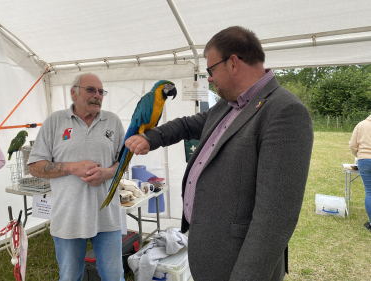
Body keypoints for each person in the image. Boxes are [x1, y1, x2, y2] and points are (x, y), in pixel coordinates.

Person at [126, 26, 314, 281]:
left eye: (211, 70)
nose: (210, 79)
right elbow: (187, 124)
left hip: (236, 264)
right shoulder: (229, 104)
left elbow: (274, 222)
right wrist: (149, 137)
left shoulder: (284, 111)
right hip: (209, 255)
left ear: (233, 63)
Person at [28, 73, 125, 281]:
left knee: (114, 277)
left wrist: (107, 173)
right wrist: (72, 167)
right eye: (91, 90)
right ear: (73, 93)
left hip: (107, 216)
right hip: (68, 217)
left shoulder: (113, 122)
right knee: (70, 277)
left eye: (101, 92)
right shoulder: (55, 122)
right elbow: (35, 167)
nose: (97, 96)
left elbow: (124, 163)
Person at [349, 114, 371, 232]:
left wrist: (359, 155)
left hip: (364, 160)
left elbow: (353, 145)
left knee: (369, 192)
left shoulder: (361, 125)